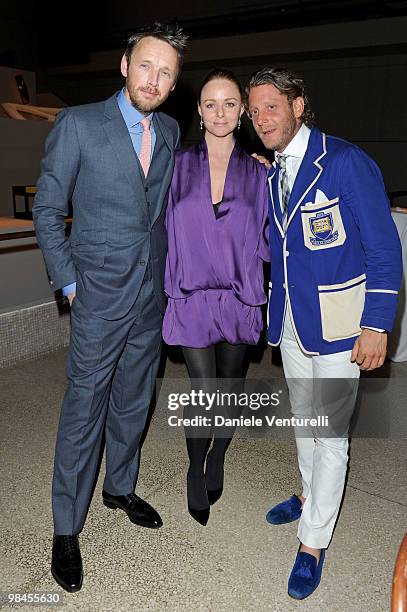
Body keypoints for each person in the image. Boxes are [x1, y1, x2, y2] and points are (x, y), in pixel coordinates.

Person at [33, 23, 188, 593]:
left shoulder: (170, 130)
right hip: (97, 293)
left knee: (133, 401)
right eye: (146, 65)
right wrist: (70, 283)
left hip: (151, 294)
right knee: (84, 410)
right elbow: (47, 210)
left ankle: (119, 488)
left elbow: (165, 211)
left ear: (174, 85)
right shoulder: (77, 124)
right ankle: (66, 528)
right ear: (125, 66)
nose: (155, 79)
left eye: (166, 72)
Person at [246, 67, 402, 599]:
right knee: (305, 420)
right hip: (292, 321)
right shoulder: (273, 171)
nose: (261, 117)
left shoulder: (346, 162)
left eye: (272, 106)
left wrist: (377, 323)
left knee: (331, 436)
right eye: (255, 110)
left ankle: (312, 544)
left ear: (299, 106)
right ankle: (312, 496)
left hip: (341, 326)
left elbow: (384, 248)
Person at [163, 69, 269, 526]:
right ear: (199, 112)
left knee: (229, 390)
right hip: (190, 298)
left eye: (230, 103)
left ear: (242, 110)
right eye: (211, 103)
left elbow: (272, 236)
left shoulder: (261, 172)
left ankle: (219, 455)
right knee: (203, 390)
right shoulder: (176, 165)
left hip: (239, 299)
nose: (220, 112)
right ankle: (194, 465)